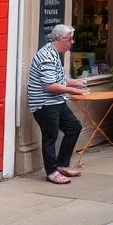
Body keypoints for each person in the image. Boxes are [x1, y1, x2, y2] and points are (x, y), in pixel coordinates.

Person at [27, 23, 88, 185]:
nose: (72, 42)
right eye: (69, 39)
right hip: (44, 104)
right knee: (50, 137)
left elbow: (56, 80)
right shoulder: (47, 56)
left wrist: (73, 82)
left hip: (55, 101)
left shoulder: (54, 53)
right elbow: (50, 86)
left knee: (74, 127)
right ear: (59, 39)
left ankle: (61, 165)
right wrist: (75, 91)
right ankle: (52, 172)